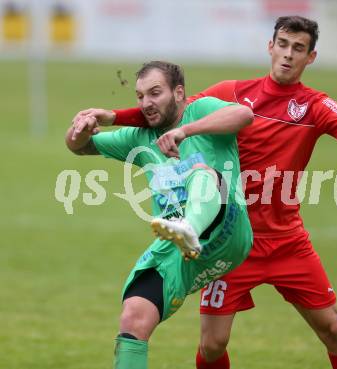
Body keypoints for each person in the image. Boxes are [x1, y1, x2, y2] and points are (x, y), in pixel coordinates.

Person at [74, 16, 337, 369]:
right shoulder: (231, 92)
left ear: (310, 57)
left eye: (299, 48)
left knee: (333, 330)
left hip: (287, 240)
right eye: (283, 45)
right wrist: (112, 116)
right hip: (229, 235)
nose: (288, 55)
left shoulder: (313, 106)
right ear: (270, 47)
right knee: (212, 345)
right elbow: (170, 110)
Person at [66, 60, 254, 369]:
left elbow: (244, 114)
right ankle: (185, 232)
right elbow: (80, 148)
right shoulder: (139, 136)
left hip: (227, 229)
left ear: (178, 92)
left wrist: (185, 131)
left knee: (201, 171)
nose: (146, 103)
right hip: (176, 247)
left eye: (155, 93)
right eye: (140, 96)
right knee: (133, 318)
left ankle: (191, 226)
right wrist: (79, 130)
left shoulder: (201, 109)